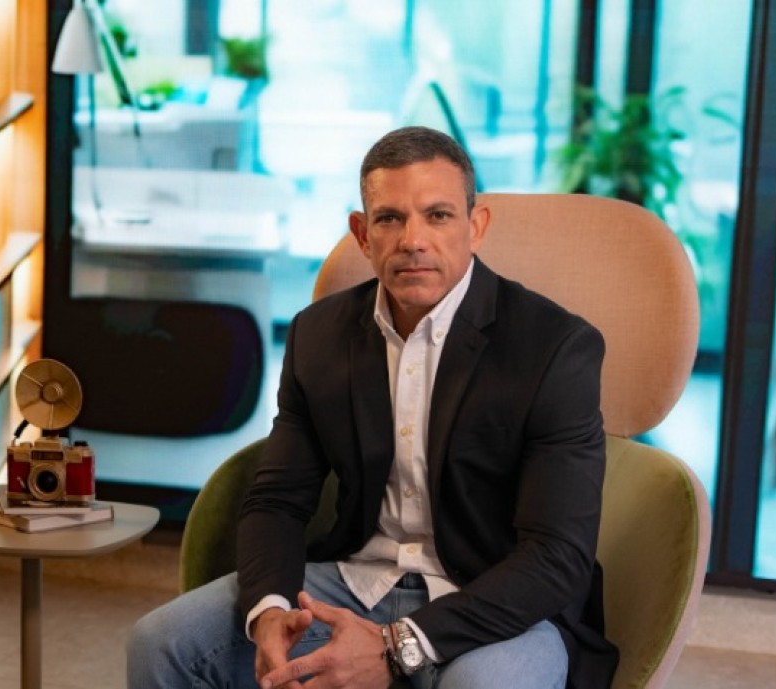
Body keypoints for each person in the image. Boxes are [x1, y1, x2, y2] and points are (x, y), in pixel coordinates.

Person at [127, 126, 618, 688]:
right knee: (160, 643)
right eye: (390, 218)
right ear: (362, 234)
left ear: (476, 226)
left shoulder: (555, 347)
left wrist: (395, 645)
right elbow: (278, 499)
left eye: (438, 215)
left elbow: (557, 556)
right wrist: (269, 611)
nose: (413, 240)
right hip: (357, 581)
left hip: (497, 603)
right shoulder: (318, 335)